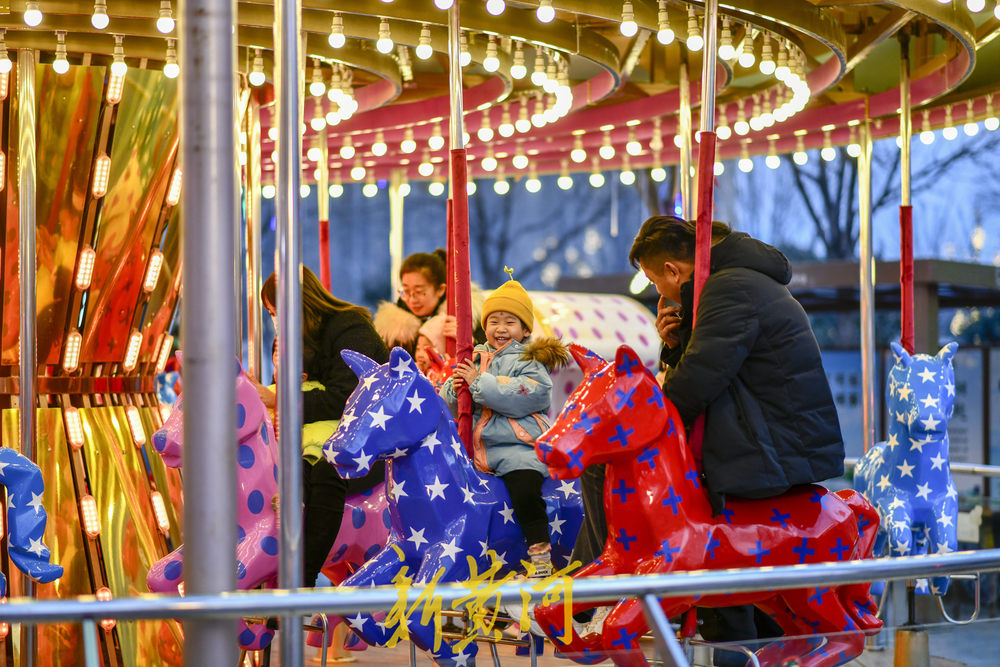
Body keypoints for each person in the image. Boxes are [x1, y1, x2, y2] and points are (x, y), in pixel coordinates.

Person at [624, 215, 845, 665]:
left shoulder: (728, 289)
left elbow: (701, 378)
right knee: (751, 574)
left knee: (730, 570)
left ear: (671, 269)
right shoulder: (737, 283)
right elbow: (711, 364)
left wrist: (646, 423)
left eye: (652, 279)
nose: (657, 292)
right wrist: (674, 341)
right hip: (770, 441)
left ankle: (738, 653)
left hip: (764, 447)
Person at [250, 266, 390, 587]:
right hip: (315, 442)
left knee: (328, 475)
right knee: (279, 477)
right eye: (271, 314)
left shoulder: (350, 329)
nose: (275, 320)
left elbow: (345, 397)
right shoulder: (297, 341)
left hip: (367, 440)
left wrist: (280, 399)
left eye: (278, 310)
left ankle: (302, 577)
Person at [440, 276, 567, 577]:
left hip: (517, 447)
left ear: (525, 329)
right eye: (493, 321)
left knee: (524, 490)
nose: (500, 328)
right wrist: (454, 388)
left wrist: (479, 383)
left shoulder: (530, 359)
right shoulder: (474, 356)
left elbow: (532, 393)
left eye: (510, 322)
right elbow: (450, 400)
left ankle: (540, 557)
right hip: (478, 453)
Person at [373, 249, 485, 355]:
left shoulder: (467, 319)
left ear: (440, 290)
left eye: (419, 292)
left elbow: (491, 363)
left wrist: (469, 342)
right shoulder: (390, 332)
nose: (412, 300)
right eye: (406, 291)